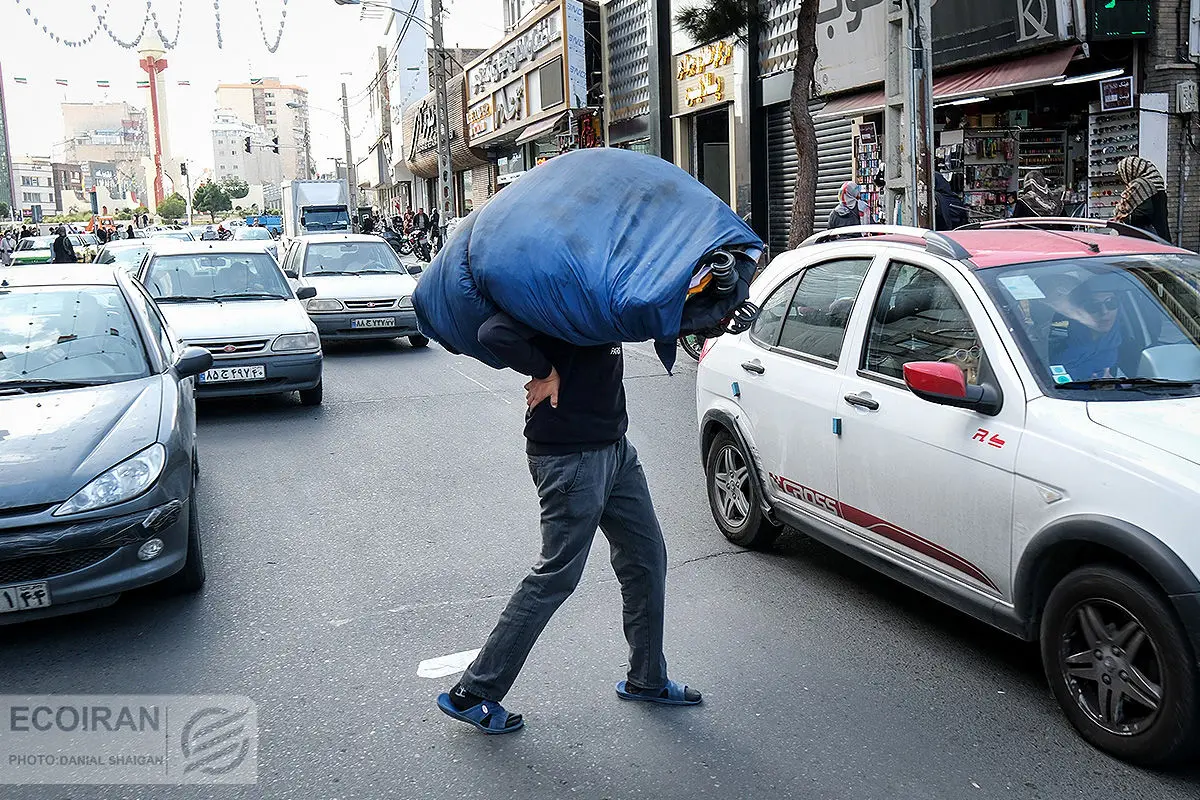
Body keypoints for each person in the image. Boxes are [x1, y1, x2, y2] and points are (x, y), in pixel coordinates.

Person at [436, 313, 701, 734]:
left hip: (615, 448)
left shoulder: (601, 288)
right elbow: (493, 332)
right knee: (556, 575)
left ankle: (647, 678)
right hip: (570, 457)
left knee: (647, 558)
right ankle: (473, 691)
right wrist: (544, 370)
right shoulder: (556, 290)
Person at [1112, 156, 1171, 241]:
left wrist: (1123, 217)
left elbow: (1142, 215)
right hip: (1160, 235)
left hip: (1146, 239)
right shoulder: (1156, 185)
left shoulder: (1140, 185)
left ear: (1128, 171)